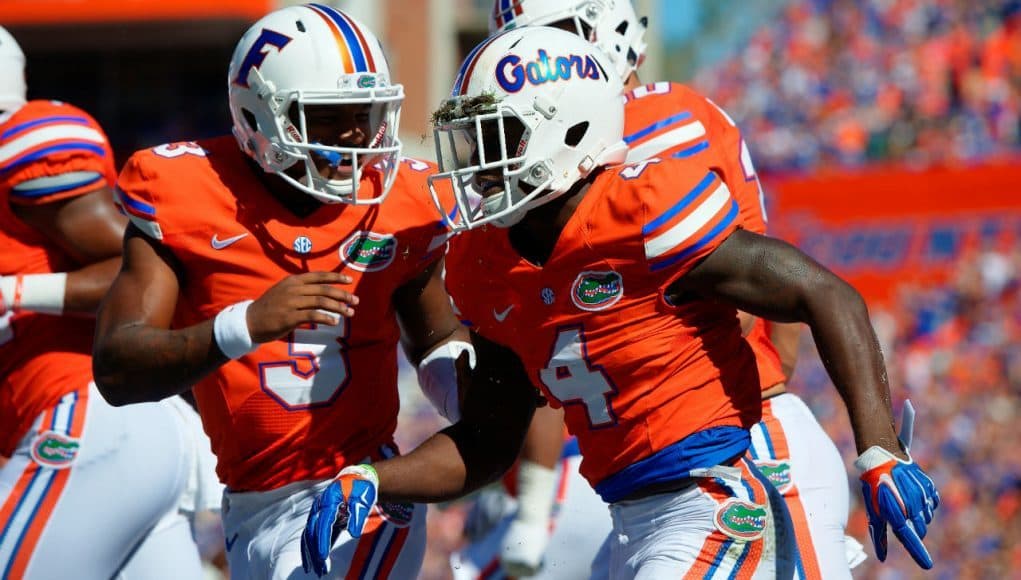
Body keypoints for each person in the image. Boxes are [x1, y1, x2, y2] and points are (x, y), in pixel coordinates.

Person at [302, 26, 940, 578]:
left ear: (569, 128)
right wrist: (375, 478)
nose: (477, 166)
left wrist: (879, 450)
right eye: (471, 142)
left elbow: (823, 293)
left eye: (496, 138)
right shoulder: (482, 262)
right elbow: (487, 440)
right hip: (633, 520)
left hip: (721, 506)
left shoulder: (646, 206)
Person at [91, 5, 478, 579]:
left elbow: (436, 336)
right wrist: (242, 326)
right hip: (247, 505)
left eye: (365, 114)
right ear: (257, 115)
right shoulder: (182, 189)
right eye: (328, 117)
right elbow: (118, 369)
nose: (355, 136)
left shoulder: (401, 203)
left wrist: (464, 391)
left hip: (359, 495)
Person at [485, 1, 865, 576]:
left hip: (739, 441)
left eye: (551, 38)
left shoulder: (668, 122)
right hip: (638, 483)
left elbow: (759, 299)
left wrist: (764, 402)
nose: (537, 63)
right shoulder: (519, 174)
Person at [0, 25, 215, 579]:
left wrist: (14, 292)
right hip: (111, 434)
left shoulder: (23, 147)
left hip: (90, 420)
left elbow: (142, 262)